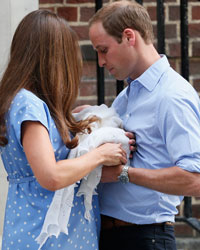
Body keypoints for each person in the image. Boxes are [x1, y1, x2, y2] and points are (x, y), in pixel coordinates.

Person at [0, 9, 128, 250]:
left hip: (46, 233)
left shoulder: (27, 103)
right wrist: (100, 154)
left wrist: (74, 120)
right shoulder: (28, 104)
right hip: (46, 237)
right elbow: (51, 176)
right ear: (54, 58)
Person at [88, 1, 200, 250]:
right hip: (111, 235)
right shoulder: (126, 96)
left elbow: (195, 179)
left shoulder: (172, 95)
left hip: (144, 238)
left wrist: (123, 174)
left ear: (129, 36)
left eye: (103, 50)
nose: (100, 61)